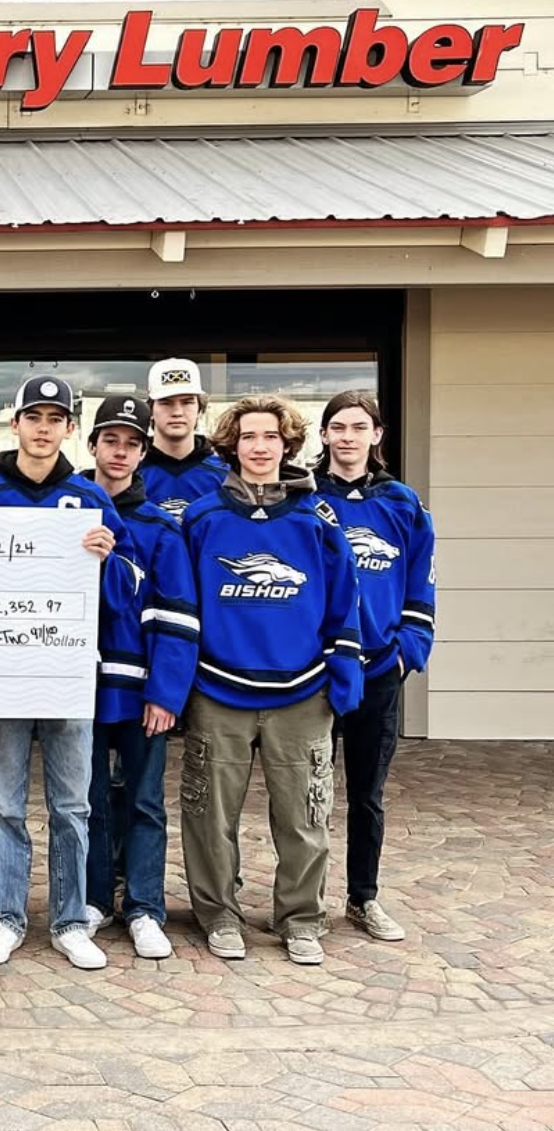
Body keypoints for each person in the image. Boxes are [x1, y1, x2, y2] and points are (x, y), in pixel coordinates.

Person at [0, 375, 141, 971]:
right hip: (0, 674)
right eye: (32, 417)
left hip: (66, 670)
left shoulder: (91, 500)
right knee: (4, 803)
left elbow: (124, 598)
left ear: (69, 429)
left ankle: (68, 919)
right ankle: (7, 915)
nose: (43, 428)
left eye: (55, 419)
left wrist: (107, 556)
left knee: (72, 805)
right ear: (14, 425)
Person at [180, 394, 362, 966]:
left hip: (302, 693)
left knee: (305, 816)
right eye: (249, 437)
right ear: (232, 444)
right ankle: (218, 915)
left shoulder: (316, 520)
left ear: (288, 445)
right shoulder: (202, 517)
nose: (260, 447)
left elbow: (343, 603)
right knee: (210, 816)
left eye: (271, 438)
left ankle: (301, 919)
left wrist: (344, 672)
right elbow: (182, 605)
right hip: (219, 689)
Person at [315, 390, 435, 942]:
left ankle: (363, 897)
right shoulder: (306, 498)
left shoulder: (403, 503)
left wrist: (409, 648)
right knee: (310, 793)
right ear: (323, 436)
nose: (347, 437)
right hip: (316, 671)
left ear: (377, 435)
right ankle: (305, 902)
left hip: (379, 668)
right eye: (337, 427)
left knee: (366, 793)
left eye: (358, 427)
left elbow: (420, 583)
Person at [83, 396, 199, 960]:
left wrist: (166, 693)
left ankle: (146, 907)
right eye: (111, 440)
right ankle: (95, 898)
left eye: (131, 443)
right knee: (91, 799)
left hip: (140, 689)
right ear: (93, 446)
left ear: (143, 452)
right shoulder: (67, 511)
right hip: (80, 687)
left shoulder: (160, 525)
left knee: (147, 800)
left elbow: (176, 615)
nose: (120, 451)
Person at [141, 358, 228, 522]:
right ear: (151, 409)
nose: (177, 412)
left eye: (187, 402)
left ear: (200, 409)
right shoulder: (129, 472)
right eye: (166, 402)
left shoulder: (226, 474)